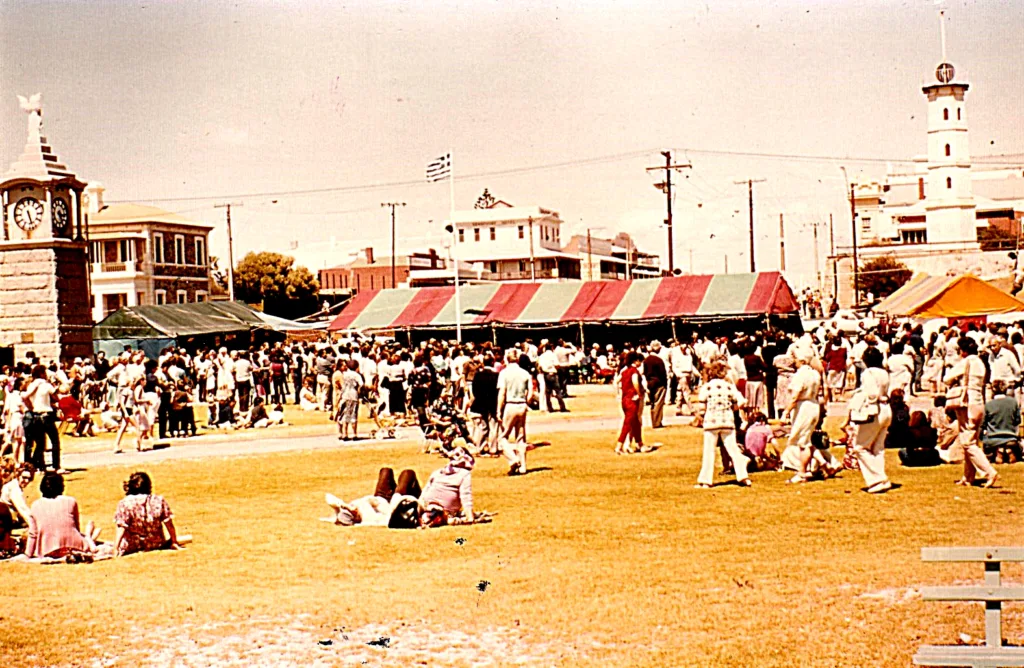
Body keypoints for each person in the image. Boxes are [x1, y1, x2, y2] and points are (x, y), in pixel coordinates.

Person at [944, 337, 998, 488]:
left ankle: (989, 472)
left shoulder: (966, 361)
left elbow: (947, 378)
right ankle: (968, 476)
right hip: (978, 401)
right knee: (971, 439)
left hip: (967, 403)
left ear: (963, 350)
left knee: (967, 441)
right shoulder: (981, 362)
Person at [695, 362, 751, 489]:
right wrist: (731, 408)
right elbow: (739, 403)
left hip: (711, 422)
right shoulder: (729, 387)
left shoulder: (706, 387)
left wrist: (702, 416)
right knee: (733, 450)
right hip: (728, 421)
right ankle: (743, 476)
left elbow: (702, 408)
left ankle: (706, 480)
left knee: (709, 451)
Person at [848, 346, 893, 493]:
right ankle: (881, 479)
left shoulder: (868, 373)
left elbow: (872, 393)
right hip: (886, 408)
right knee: (878, 448)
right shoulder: (884, 372)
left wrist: (859, 397)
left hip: (874, 410)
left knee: (860, 447)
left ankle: (877, 479)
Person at [24, 471, 99, 559]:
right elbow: (75, 528)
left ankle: (89, 537)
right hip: (75, 546)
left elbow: (33, 534)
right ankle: (89, 537)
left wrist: (28, 554)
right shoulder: (71, 501)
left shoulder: (35, 505)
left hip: (48, 549)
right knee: (87, 536)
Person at [114, 471, 183, 557]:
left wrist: (116, 548)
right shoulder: (158, 500)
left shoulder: (124, 503)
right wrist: (174, 541)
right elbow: (169, 523)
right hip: (156, 543)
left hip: (132, 546)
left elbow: (121, 527)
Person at [784, 354, 827, 484]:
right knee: (807, 438)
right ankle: (823, 464)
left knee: (801, 441)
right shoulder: (815, 374)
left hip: (804, 406)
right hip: (814, 404)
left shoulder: (800, 375)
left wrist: (786, 411)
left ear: (802, 360)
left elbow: (795, 395)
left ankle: (801, 472)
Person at [497, 352, 534, 476]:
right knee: (521, 436)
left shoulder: (504, 373)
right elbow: (530, 391)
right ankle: (523, 466)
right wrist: (527, 402)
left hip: (510, 404)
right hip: (522, 404)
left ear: (507, 360)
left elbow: (502, 392)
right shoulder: (525, 373)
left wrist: (498, 409)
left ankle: (513, 459)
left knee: (502, 437)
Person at [419, 444, 474, 526]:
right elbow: (465, 496)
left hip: (426, 505)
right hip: (444, 510)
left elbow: (425, 491)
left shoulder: (438, 472)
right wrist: (470, 517)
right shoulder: (464, 474)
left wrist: (419, 506)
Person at [22, 365, 61, 473]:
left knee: (40, 442)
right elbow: (55, 397)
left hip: (36, 415)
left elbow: (26, 398)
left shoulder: (31, 385)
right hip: (46, 414)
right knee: (54, 440)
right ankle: (56, 465)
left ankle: (40, 465)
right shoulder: (46, 385)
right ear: (42, 373)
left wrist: (32, 407)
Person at [982, 380, 1022, 464]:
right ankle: (1008, 450)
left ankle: (998, 450)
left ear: (993, 390)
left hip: (992, 438)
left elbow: (983, 424)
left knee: (987, 448)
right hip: (1011, 437)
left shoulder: (989, 405)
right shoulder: (1013, 402)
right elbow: (1018, 420)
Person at [616, 352, 646, 454]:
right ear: (635, 361)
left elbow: (617, 381)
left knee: (635, 422)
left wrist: (618, 393)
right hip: (631, 399)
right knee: (628, 423)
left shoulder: (624, 371)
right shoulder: (634, 371)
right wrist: (639, 393)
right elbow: (635, 382)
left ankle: (640, 443)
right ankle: (619, 446)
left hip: (624, 399)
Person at [0, 462, 34, 527]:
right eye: (24, 477)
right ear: (18, 475)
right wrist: (34, 526)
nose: (26, 481)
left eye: (29, 479)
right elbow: (23, 510)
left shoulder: (14, 485)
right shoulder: (14, 488)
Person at [337, 359, 364, 441]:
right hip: (353, 395)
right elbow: (361, 384)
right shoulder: (357, 375)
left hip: (345, 395)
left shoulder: (344, 374)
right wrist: (359, 390)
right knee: (353, 414)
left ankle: (345, 434)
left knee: (345, 414)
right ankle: (355, 434)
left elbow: (343, 386)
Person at [643, 342, 668, 429]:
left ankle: (653, 420)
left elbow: (645, 372)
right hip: (659, 383)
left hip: (650, 383)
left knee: (653, 403)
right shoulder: (659, 360)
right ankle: (657, 422)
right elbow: (662, 373)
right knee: (658, 403)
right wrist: (665, 384)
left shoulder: (646, 360)